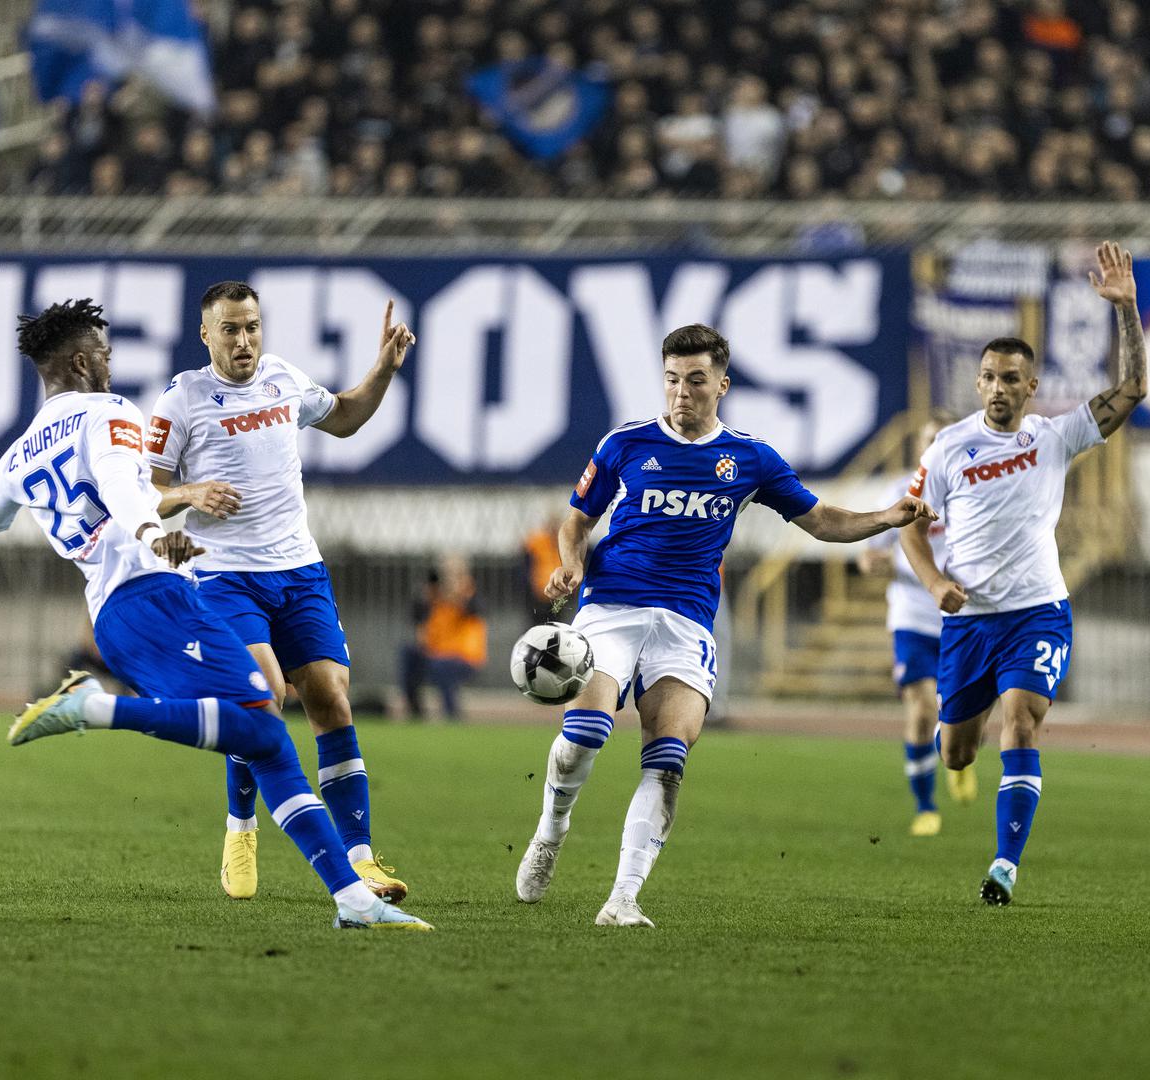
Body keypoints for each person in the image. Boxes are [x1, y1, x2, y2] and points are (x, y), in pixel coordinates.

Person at [0, 298, 428, 930]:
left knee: (262, 727)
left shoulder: (19, 452)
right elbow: (125, 485)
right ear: (81, 361)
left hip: (129, 609)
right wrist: (154, 531)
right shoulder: (113, 413)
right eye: (103, 352)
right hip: (157, 593)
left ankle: (350, 895)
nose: (110, 360)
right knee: (260, 718)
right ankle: (95, 708)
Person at [514, 323, 935, 928]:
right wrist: (570, 565)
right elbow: (576, 520)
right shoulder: (624, 444)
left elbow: (822, 522)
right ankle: (551, 830)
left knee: (667, 760)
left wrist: (889, 517)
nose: (681, 393)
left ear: (722, 385)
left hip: (686, 623)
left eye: (695, 381)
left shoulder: (750, 459)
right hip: (612, 607)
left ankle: (623, 898)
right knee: (585, 733)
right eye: (671, 380)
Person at [146, 282, 414, 903]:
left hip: (299, 570)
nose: (244, 341)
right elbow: (144, 490)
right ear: (205, 335)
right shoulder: (182, 400)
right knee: (263, 697)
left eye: (252, 327)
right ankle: (240, 829)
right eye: (231, 330)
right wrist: (189, 494)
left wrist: (383, 369)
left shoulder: (283, 380)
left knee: (331, 702)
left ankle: (361, 859)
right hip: (223, 574)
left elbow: (345, 418)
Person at [901, 241, 1148, 906]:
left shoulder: (1053, 436)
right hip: (969, 620)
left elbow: (1132, 390)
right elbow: (910, 523)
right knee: (956, 750)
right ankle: (960, 760)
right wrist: (933, 585)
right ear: (977, 382)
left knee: (1021, 723)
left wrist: (1125, 310)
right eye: (989, 376)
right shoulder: (947, 448)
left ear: (1029, 387)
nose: (1000, 387)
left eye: (1012, 378)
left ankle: (1004, 866)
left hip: (1038, 610)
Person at [858, 409, 976, 838]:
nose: (934, 445)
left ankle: (960, 755)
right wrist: (871, 562)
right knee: (922, 707)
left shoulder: (974, 486)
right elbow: (873, 550)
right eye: (929, 438)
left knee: (964, 713)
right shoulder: (900, 490)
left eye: (943, 437)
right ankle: (926, 806)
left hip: (963, 616)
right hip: (912, 611)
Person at [410, 555, 487, 720]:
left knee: (442, 665)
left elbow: (475, 610)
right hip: (437, 651)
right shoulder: (433, 595)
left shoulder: (471, 593)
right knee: (409, 654)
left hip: (464, 656)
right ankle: (415, 712)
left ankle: (451, 713)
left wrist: (456, 595)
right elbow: (418, 615)